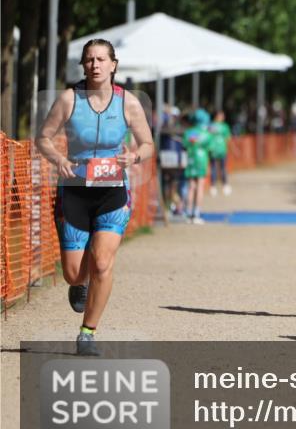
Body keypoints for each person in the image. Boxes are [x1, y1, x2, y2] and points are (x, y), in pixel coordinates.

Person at [35, 38, 154, 356]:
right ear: (83, 65)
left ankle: (87, 332)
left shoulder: (128, 102)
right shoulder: (68, 99)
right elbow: (43, 138)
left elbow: (147, 144)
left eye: (101, 59)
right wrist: (58, 158)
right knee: (74, 273)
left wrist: (134, 157)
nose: (95, 65)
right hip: (74, 190)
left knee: (102, 262)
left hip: (112, 193)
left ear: (113, 65)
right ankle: (79, 283)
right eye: (89, 59)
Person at [183, 109, 212, 223]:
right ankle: (197, 213)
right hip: (201, 161)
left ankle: (188, 213)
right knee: (200, 186)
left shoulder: (188, 132)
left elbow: (185, 145)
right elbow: (210, 148)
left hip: (191, 160)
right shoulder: (206, 134)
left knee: (191, 187)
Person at [207, 109, 232, 196]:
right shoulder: (212, 126)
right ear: (217, 116)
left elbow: (227, 138)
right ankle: (213, 186)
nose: (222, 117)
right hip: (214, 150)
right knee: (214, 168)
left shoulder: (223, 126)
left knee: (222, 168)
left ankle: (224, 185)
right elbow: (227, 138)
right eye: (221, 115)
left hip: (221, 150)